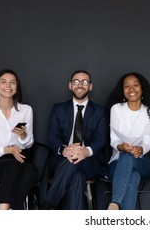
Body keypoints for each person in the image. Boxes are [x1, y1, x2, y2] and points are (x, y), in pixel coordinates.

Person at [42, 70, 108, 209]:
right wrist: (64, 150)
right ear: (70, 85)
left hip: (90, 162)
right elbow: (52, 136)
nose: (80, 85)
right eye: (76, 82)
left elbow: (101, 139)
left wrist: (86, 152)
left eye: (84, 82)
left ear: (90, 86)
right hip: (62, 161)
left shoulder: (100, 111)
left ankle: (48, 204)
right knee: (77, 178)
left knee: (73, 161)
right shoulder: (58, 109)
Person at [0, 69, 38, 210]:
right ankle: (3, 211)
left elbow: (29, 143)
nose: (8, 86)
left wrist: (23, 135)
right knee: (13, 166)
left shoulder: (25, 110)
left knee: (32, 170)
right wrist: (7, 149)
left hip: (19, 158)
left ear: (17, 87)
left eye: (12, 82)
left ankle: (8, 212)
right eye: (3, 82)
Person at [106, 72, 150, 210]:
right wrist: (122, 146)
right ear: (122, 91)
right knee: (133, 174)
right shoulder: (116, 109)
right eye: (126, 86)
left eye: (135, 85)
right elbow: (114, 140)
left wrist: (139, 149)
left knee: (130, 157)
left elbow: (148, 143)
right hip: (117, 164)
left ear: (142, 89)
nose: (131, 89)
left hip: (143, 162)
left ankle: (115, 203)